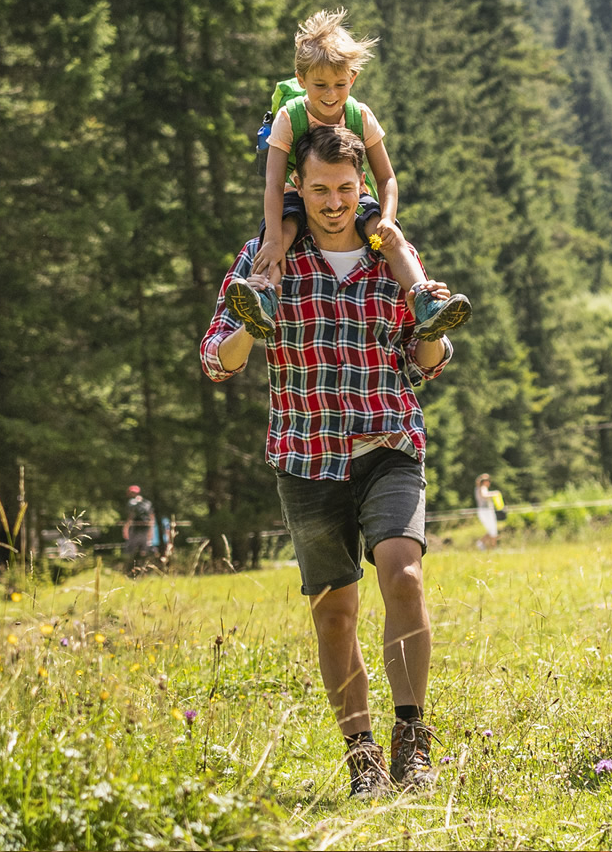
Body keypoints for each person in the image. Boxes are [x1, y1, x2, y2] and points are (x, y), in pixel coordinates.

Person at [200, 123, 455, 799]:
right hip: (306, 455)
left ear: (362, 188)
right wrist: (247, 333)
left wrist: (430, 332)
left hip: (387, 441)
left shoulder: (391, 256)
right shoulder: (267, 257)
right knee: (335, 612)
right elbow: (215, 358)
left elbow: (426, 361)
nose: (334, 201)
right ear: (298, 188)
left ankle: (412, 741)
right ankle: (361, 754)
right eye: (320, 189)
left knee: (403, 574)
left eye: (346, 188)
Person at [222, 9, 469, 345]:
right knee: (283, 234)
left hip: (353, 192)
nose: (330, 94)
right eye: (319, 85)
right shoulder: (288, 117)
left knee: (388, 240)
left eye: (340, 84)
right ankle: (264, 299)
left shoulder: (359, 115)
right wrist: (273, 237)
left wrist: (389, 218)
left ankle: (423, 300)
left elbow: (386, 178)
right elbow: (275, 183)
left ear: (352, 79)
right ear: (301, 79)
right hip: (300, 191)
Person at [121, 486, 155, 566]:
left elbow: (131, 516)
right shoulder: (147, 503)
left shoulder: (132, 502)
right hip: (146, 528)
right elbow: (151, 517)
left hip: (135, 529)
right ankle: (142, 568)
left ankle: (131, 568)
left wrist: (126, 528)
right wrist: (151, 530)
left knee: (131, 550)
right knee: (144, 550)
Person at [474, 474, 502, 549]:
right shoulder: (483, 488)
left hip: (483, 511)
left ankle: (481, 543)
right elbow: (484, 495)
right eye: (488, 481)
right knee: (493, 530)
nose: (489, 482)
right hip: (486, 511)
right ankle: (493, 547)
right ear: (485, 482)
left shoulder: (477, 488)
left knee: (491, 531)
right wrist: (494, 493)